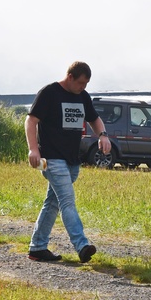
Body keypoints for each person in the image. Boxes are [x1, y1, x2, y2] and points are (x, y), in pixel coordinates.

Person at [25, 61, 111, 263]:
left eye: (87, 84)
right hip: (52, 159)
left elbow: (94, 119)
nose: (83, 87)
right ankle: (81, 245)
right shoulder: (49, 93)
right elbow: (31, 121)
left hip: (72, 160)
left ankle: (37, 247)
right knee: (67, 201)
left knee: (52, 203)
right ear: (70, 77)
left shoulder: (82, 96)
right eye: (81, 83)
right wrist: (33, 149)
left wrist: (103, 135)